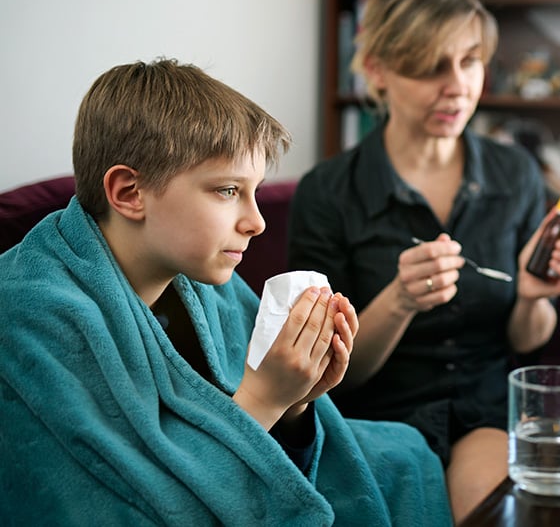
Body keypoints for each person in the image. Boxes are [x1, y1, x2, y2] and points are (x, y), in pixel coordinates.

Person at [0, 59, 452, 525]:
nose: (256, 222)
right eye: (228, 190)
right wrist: (265, 398)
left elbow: (268, 436)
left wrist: (298, 401)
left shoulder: (202, 278)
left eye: (254, 191)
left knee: (407, 455)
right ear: (129, 192)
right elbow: (115, 506)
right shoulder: (28, 313)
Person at [288, 0, 560, 522]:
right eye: (431, 67)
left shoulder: (515, 173)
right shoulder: (328, 192)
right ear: (377, 71)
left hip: (485, 414)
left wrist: (532, 297)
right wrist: (400, 300)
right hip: (375, 420)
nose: (457, 86)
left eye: (469, 60)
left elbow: (528, 342)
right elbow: (326, 374)